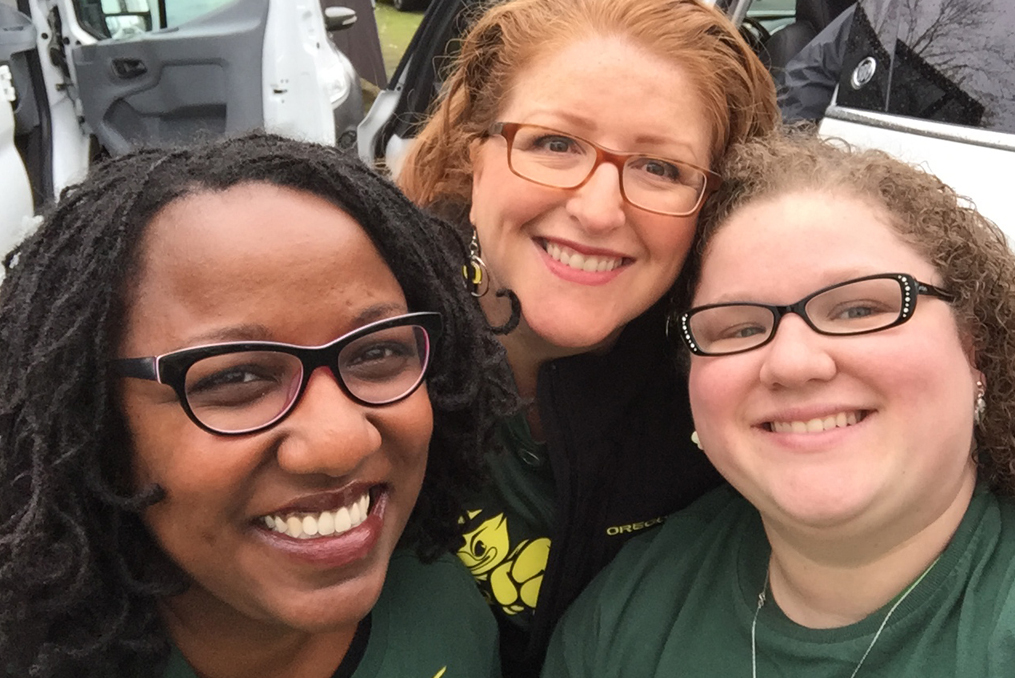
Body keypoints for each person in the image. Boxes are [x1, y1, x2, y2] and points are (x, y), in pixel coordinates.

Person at [0, 133, 517, 678]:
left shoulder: (446, 612)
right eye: (237, 377)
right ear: (94, 420)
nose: (340, 442)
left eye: (378, 351)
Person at [397, 0, 780, 672]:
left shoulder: (736, 396)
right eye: (554, 143)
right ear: (475, 160)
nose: (599, 210)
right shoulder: (365, 347)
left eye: (661, 168)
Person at [542, 132, 1015, 676]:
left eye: (859, 309)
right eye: (740, 326)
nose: (791, 363)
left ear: (974, 344)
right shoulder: (624, 617)